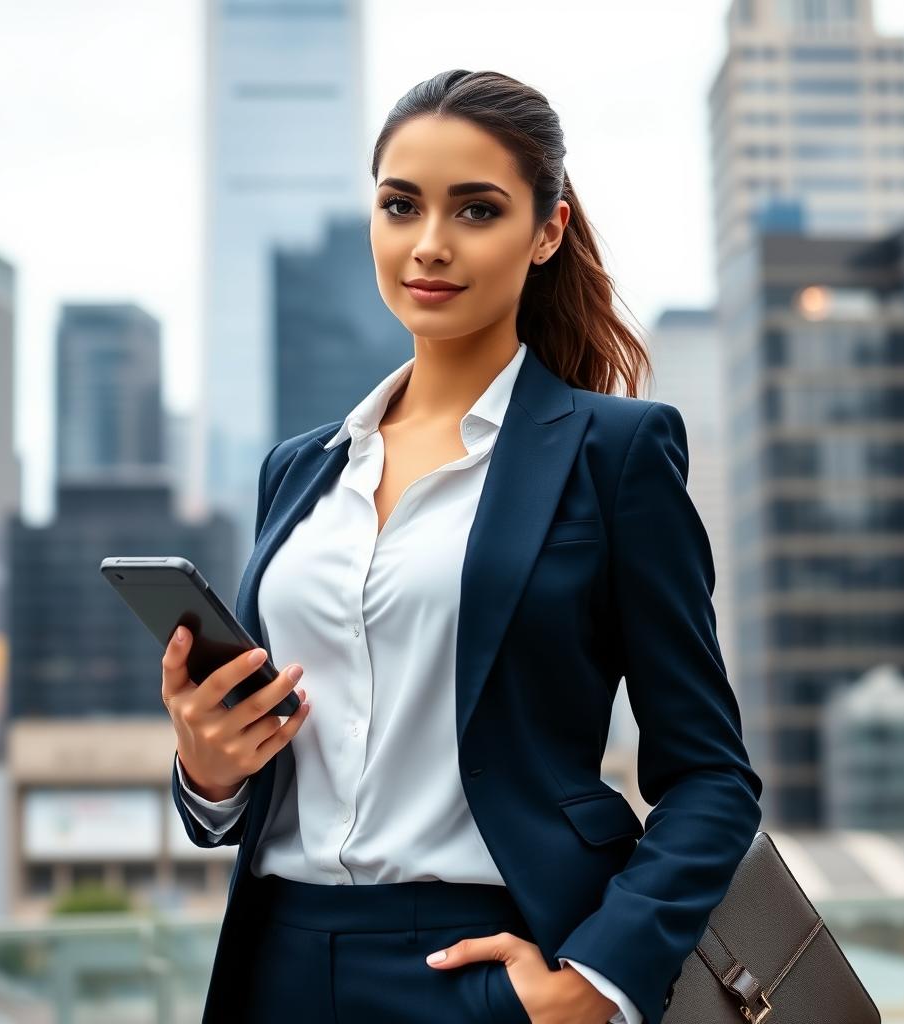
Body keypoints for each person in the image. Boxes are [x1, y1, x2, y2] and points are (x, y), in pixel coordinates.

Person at [162, 69, 762, 1024]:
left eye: (476, 210)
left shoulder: (616, 454)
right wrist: (210, 769)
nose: (429, 244)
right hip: (275, 958)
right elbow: (264, 780)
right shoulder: (299, 469)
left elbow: (713, 778)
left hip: (485, 965)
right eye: (401, 205)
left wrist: (597, 983)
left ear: (547, 231)